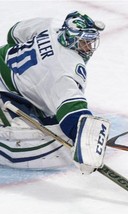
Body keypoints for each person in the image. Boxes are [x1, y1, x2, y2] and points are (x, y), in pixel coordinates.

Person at [0, 11, 110, 173]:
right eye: (84, 42)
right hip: (6, 91)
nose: (88, 48)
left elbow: (13, 34)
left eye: (90, 41)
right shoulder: (66, 68)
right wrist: (84, 142)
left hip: (6, 65)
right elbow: (72, 112)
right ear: (71, 39)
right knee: (31, 132)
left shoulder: (51, 26)